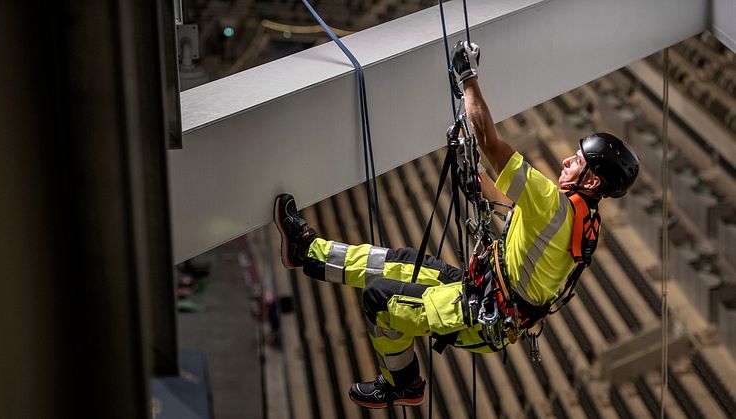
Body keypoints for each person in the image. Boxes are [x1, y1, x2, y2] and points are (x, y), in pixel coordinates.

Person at [273, 41, 639, 409]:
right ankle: (306, 251)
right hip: (485, 295)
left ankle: (402, 382)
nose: (565, 161)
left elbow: (490, 141)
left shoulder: (552, 202)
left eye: (576, 162)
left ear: (592, 181)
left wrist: (468, 79)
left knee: (379, 300)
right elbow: (513, 205)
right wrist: (475, 175)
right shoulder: (582, 218)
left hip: (477, 312)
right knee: (398, 261)